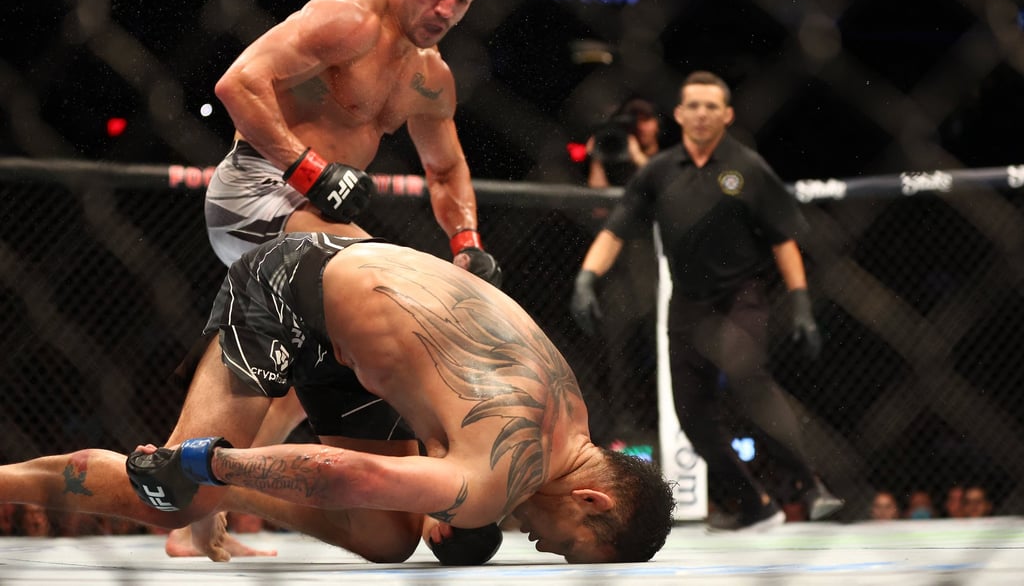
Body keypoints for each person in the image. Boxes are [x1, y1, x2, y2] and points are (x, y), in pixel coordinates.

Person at [0, 233, 676, 565]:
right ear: (594, 501)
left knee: (387, 539)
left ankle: (220, 494)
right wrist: (211, 465)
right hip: (289, 291)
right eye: (569, 547)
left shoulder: (572, 416)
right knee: (177, 492)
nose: (543, 547)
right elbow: (350, 476)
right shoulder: (501, 483)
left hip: (358, 334)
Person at [176, 0, 502, 559]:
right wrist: (310, 169)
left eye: (461, 2)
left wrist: (466, 239)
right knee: (384, 279)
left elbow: (445, 168)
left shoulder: (430, 79)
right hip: (256, 190)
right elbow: (238, 85)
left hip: (312, 217)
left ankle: (202, 507)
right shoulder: (343, 21)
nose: (445, 10)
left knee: (316, 374)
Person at [570, 70, 842, 531]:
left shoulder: (749, 168)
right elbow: (616, 228)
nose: (701, 113)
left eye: (711, 106)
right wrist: (586, 277)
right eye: (693, 105)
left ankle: (809, 485)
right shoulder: (659, 172)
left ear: (728, 114)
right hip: (686, 305)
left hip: (741, 299)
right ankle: (754, 505)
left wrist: (799, 302)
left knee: (748, 381)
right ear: (678, 114)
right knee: (691, 417)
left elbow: (783, 241)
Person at [578, 98, 662, 445]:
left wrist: (639, 158)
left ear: (656, 124)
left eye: (644, 119)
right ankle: (624, 430)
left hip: (657, 273)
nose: (639, 127)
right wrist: (598, 158)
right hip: (619, 275)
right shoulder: (616, 166)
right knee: (618, 356)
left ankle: (666, 421)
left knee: (663, 353)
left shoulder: (667, 163)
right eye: (632, 120)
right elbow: (596, 210)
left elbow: (666, 196)